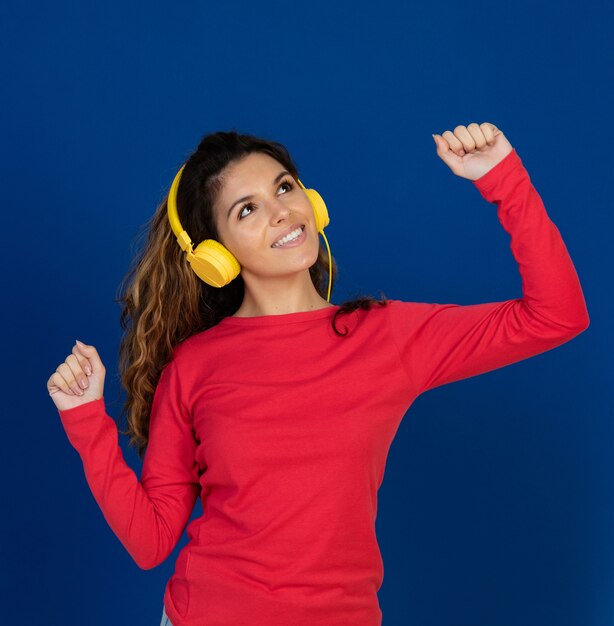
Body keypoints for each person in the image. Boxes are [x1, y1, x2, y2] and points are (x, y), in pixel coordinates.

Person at [47, 124, 589, 626]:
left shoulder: (387, 337)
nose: (281, 211)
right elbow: (152, 542)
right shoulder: (194, 365)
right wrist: (85, 421)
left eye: (284, 188)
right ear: (215, 255)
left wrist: (503, 177)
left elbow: (557, 315)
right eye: (247, 210)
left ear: (312, 202)